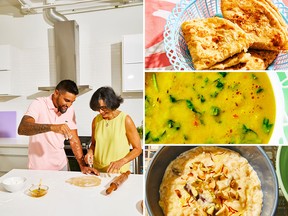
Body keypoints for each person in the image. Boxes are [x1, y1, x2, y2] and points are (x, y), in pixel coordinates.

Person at [18, 80, 99, 175]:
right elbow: (22, 128)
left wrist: (82, 166)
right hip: (39, 169)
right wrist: (52, 127)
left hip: (62, 166)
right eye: (67, 100)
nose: (68, 105)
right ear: (56, 93)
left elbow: (74, 140)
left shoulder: (69, 110)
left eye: (72, 102)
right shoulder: (39, 104)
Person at [85, 86, 142, 173]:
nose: (100, 112)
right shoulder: (96, 121)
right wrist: (90, 152)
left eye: (103, 108)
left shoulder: (125, 120)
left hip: (118, 172)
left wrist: (121, 161)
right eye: (98, 108)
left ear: (111, 103)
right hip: (98, 171)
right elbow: (94, 144)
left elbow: (137, 149)